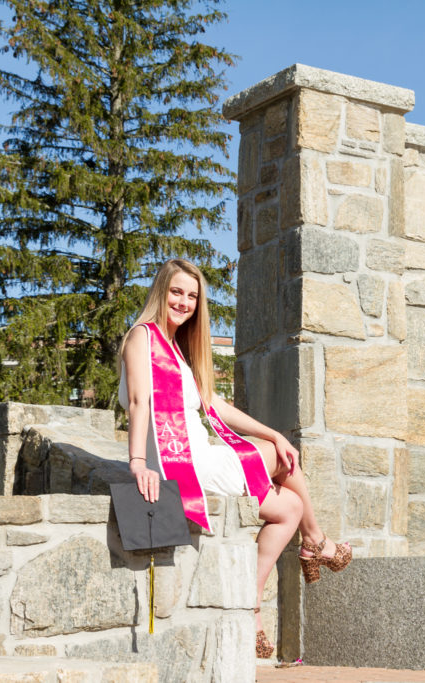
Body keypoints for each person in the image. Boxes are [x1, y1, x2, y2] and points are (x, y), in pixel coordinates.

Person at [118, 258, 350, 658]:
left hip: (200, 456)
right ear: (161, 291)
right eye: (176, 292)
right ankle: (315, 541)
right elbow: (139, 401)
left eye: (192, 296)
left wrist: (272, 432)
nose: (183, 301)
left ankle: (253, 604)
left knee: (290, 506)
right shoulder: (143, 337)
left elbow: (213, 404)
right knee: (282, 459)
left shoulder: (176, 350)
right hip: (185, 463)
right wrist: (137, 462)